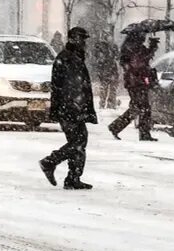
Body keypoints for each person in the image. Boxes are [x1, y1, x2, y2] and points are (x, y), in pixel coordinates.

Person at [39, 27, 97, 190]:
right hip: (70, 108)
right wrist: (76, 106)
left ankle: (72, 177)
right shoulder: (68, 58)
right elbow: (71, 86)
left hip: (72, 106)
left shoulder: (73, 57)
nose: (84, 43)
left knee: (79, 140)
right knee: (77, 141)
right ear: (73, 39)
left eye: (84, 40)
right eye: (81, 39)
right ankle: (50, 162)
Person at [108, 31, 159, 141]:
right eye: (142, 36)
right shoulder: (133, 48)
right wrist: (151, 48)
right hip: (136, 82)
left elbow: (144, 58)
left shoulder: (130, 47)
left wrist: (152, 47)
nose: (144, 37)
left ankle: (117, 127)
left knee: (138, 107)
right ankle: (142, 133)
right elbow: (140, 62)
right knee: (143, 108)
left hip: (135, 82)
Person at [91, 35, 120, 109]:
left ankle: (110, 103)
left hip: (112, 69)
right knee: (105, 87)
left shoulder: (113, 46)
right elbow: (98, 57)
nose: (110, 39)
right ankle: (103, 103)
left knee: (112, 87)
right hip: (105, 69)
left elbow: (117, 56)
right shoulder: (101, 46)